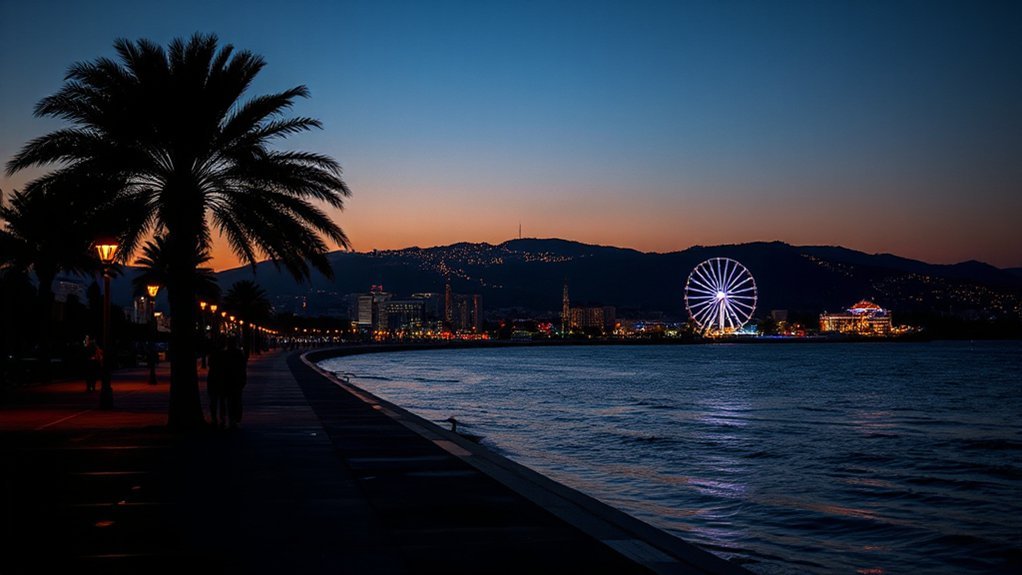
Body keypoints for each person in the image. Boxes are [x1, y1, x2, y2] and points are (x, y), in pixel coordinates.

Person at [223, 338, 248, 429]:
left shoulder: (225, 354)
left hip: (228, 380)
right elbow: (243, 367)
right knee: (237, 399)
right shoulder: (239, 354)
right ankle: (237, 418)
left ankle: (231, 417)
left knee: (230, 400)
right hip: (236, 380)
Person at [205, 338, 228, 428]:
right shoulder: (224, 355)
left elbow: (209, 364)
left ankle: (214, 417)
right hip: (221, 379)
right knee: (222, 400)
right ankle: (222, 417)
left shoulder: (213, 355)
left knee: (214, 400)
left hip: (213, 378)